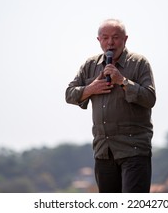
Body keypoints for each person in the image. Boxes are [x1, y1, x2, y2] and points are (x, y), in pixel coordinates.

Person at [65, 19, 156, 193]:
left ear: (125, 39)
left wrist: (122, 81)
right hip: (103, 151)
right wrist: (90, 89)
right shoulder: (90, 65)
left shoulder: (138, 63)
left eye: (115, 37)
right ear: (98, 40)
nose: (110, 42)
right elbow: (69, 94)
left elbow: (149, 98)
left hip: (134, 150)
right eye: (105, 38)